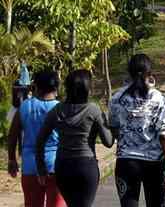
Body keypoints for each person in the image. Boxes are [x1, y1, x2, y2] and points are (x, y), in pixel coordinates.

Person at [36, 69, 114, 207]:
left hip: (63, 167)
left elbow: (40, 141)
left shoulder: (57, 110)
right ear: (87, 88)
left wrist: (41, 169)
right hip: (86, 166)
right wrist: (109, 125)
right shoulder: (93, 110)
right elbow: (108, 142)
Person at [109, 54, 165, 207]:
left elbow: (113, 127)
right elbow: (164, 135)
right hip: (154, 164)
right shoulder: (158, 99)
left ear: (129, 72)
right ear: (149, 73)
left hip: (126, 162)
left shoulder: (116, 98)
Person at [8, 70, 66, 207]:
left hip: (30, 167)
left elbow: (12, 135)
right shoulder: (61, 108)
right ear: (56, 87)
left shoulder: (25, 107)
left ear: (36, 87)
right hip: (56, 165)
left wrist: (12, 159)